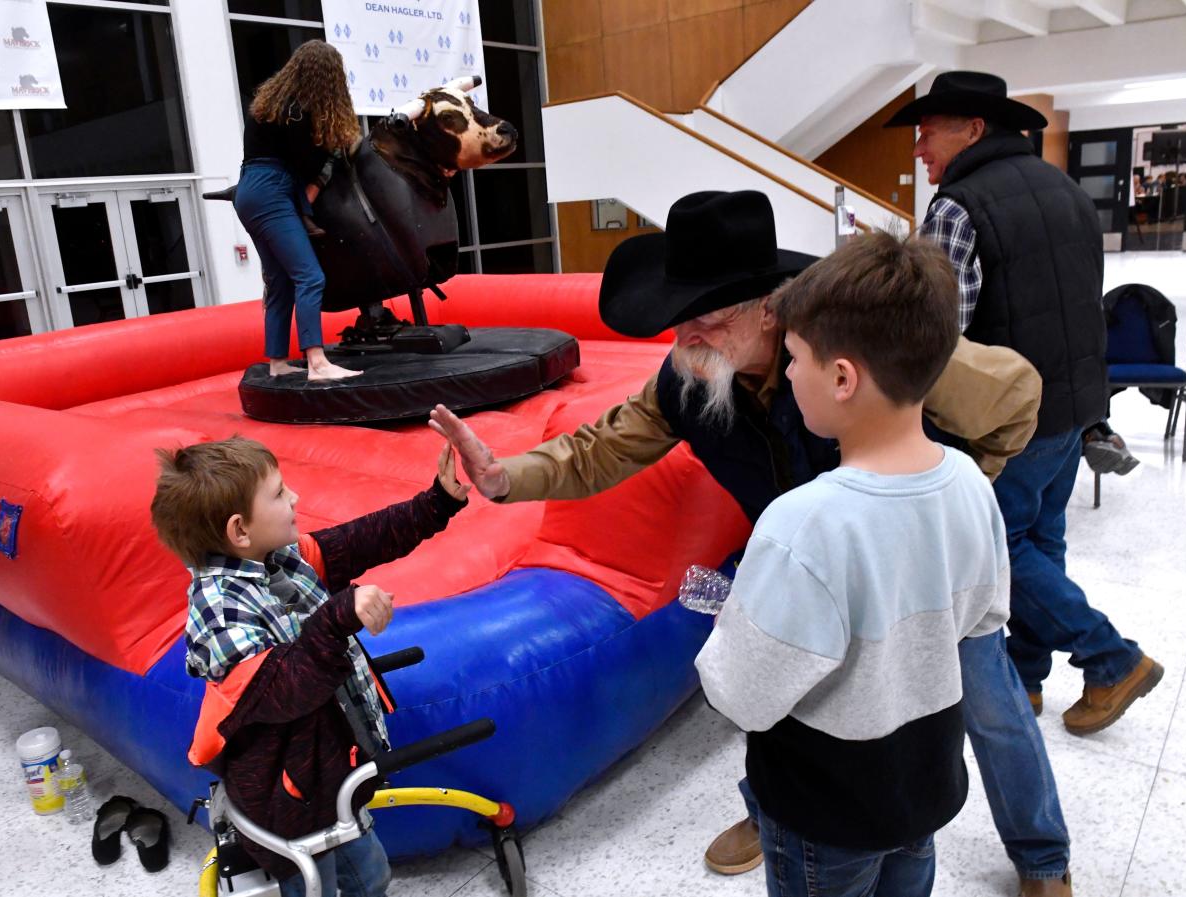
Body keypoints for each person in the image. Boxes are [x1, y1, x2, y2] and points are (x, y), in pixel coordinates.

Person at [429, 190, 1075, 896]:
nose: (684, 343)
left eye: (705, 320)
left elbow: (1015, 401)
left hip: (910, 580)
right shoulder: (692, 377)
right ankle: (773, 813)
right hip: (804, 564)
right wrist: (502, 476)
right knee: (787, 694)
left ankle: (1042, 854)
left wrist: (925, 508)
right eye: (678, 325)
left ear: (769, 309)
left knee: (984, 696)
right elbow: (600, 449)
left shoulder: (869, 348)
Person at [694, 231, 1010, 897]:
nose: (787, 372)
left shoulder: (802, 523)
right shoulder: (971, 484)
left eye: (795, 358)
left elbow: (743, 691)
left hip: (825, 809)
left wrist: (741, 621)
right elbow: (983, 617)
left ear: (842, 378)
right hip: (922, 784)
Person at [889, 71, 1162, 744]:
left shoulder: (957, 208)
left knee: (1001, 552)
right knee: (1042, 540)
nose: (920, 149)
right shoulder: (1068, 192)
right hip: (1074, 403)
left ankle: (1112, 656)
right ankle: (1028, 675)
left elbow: (936, 332)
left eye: (929, 133)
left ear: (974, 129)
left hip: (1006, 417)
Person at [150, 436, 470, 897]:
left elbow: (358, 541)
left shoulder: (275, 559)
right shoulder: (219, 612)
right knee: (311, 885)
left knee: (370, 876)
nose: (295, 498)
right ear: (239, 530)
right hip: (289, 801)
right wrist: (340, 613)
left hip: (328, 775)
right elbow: (284, 687)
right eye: (279, 494)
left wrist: (436, 503)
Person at [235, 40, 361, 381]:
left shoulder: (269, 104)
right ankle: (317, 362)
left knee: (280, 282)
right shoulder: (297, 111)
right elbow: (305, 164)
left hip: (249, 188)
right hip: (272, 190)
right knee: (310, 275)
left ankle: (277, 362)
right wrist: (332, 152)